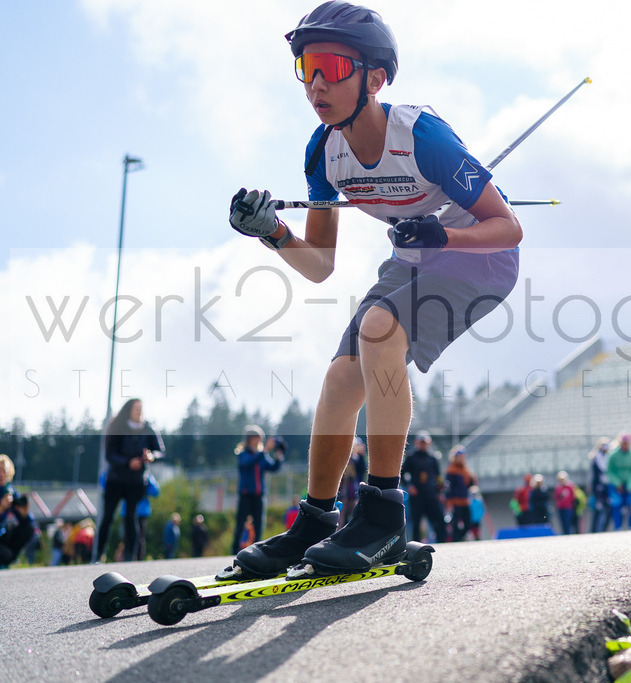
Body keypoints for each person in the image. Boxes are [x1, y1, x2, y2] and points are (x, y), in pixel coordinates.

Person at [224, 1, 521, 579]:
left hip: (481, 258)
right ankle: (317, 520)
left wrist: (440, 231)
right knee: (341, 377)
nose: (315, 83)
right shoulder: (324, 154)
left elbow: (509, 227)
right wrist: (272, 232)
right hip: (413, 259)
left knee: (378, 330)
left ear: (376, 77)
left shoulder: (423, 136)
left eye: (331, 66)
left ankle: (384, 514)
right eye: (305, 67)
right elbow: (319, 266)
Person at [94, 398, 163, 562]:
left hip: (136, 482)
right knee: (107, 517)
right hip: (116, 480)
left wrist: (151, 457)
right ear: (128, 410)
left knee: (131, 518)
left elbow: (160, 451)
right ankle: (98, 555)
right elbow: (109, 454)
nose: (139, 411)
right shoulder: (118, 427)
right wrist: (127, 462)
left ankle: (130, 557)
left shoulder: (148, 429)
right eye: (136, 408)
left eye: (141, 408)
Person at [231, 425, 285, 554]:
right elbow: (249, 463)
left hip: (259, 495)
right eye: (254, 438)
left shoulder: (262, 456)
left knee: (259, 525)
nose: (257, 441)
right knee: (240, 524)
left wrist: (279, 456)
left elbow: (273, 468)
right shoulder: (243, 454)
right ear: (248, 440)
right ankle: (234, 550)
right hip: (246, 495)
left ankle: (256, 551)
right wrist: (265, 450)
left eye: (258, 438)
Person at [402, 432, 447, 543]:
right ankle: (416, 546)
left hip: (431, 494)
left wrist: (440, 492)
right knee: (416, 522)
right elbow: (403, 473)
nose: (423, 445)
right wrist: (409, 485)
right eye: (421, 442)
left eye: (425, 443)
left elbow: (438, 477)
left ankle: (442, 543)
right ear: (416, 443)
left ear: (429, 443)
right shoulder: (411, 457)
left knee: (438, 520)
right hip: (417, 495)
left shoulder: (432, 458)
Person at [606, 434, 631, 530]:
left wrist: (629, 484)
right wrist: (617, 483)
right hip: (615, 485)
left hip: (629, 484)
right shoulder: (613, 455)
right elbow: (610, 471)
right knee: (616, 505)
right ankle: (617, 527)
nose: (625, 445)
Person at [444, 445, 476, 542]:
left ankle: (461, 538)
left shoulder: (466, 470)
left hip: (465, 501)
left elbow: (470, 484)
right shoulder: (451, 470)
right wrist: (449, 502)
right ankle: (455, 540)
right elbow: (448, 487)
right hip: (455, 501)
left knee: (468, 523)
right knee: (456, 524)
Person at [588, 438, 611, 533]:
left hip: (607, 487)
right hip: (598, 488)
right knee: (597, 509)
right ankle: (593, 530)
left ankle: (604, 529)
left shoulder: (609, 457)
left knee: (609, 508)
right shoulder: (596, 458)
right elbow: (597, 473)